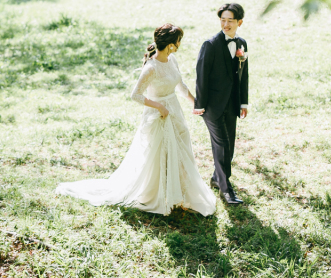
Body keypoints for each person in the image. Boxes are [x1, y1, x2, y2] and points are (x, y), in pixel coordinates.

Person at [55, 24, 216, 216]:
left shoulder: (172, 60)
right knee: (158, 156)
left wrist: (195, 103)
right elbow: (136, 95)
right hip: (158, 115)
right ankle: (157, 195)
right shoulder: (151, 67)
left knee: (180, 151)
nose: (180, 44)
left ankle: (180, 194)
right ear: (172, 44)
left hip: (175, 111)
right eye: (179, 40)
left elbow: (180, 85)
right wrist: (159, 107)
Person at [192, 3, 249, 206]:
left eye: (230, 20)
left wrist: (243, 102)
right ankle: (226, 189)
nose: (225, 24)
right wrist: (199, 104)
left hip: (232, 104)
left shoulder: (241, 43)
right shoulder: (210, 44)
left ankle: (217, 178)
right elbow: (201, 76)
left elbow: (243, 76)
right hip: (212, 106)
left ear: (239, 22)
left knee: (230, 145)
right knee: (222, 145)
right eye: (222, 20)